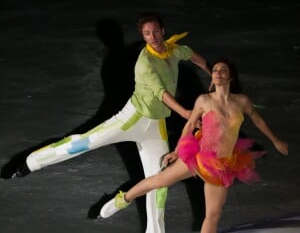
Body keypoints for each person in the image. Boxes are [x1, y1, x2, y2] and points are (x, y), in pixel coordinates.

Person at [1, 13, 211, 233]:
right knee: (83, 143)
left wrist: (212, 74)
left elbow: (193, 56)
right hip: (132, 120)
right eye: (147, 33)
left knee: (159, 183)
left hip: (156, 127)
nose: (153, 37)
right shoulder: (144, 62)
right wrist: (187, 113)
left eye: (156, 31)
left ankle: (145, 223)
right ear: (143, 35)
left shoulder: (174, 50)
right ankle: (32, 162)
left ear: (163, 30)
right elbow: (162, 94)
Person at [99, 58, 288, 233]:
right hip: (201, 155)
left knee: (213, 215)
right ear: (212, 76)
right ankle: (123, 199)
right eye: (215, 70)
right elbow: (189, 125)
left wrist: (276, 140)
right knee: (160, 181)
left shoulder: (242, 101)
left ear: (230, 76)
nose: (218, 73)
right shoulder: (204, 100)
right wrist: (177, 150)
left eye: (223, 70)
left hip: (223, 164)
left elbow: (258, 121)